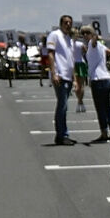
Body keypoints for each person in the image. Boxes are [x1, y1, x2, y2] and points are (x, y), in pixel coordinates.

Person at [46, 14, 78, 145]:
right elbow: (50, 54)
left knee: (64, 106)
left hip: (68, 76)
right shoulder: (55, 35)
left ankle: (63, 134)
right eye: (65, 22)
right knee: (62, 105)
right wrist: (54, 73)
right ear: (61, 24)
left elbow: (71, 59)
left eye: (70, 22)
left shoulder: (69, 39)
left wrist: (74, 78)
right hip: (60, 75)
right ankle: (61, 134)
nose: (68, 25)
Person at [82, 27, 110, 144]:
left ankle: (104, 133)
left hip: (98, 80)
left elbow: (94, 41)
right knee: (107, 107)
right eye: (83, 33)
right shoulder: (100, 46)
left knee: (100, 108)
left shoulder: (92, 44)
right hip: (106, 79)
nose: (85, 35)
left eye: (87, 33)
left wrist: (95, 36)